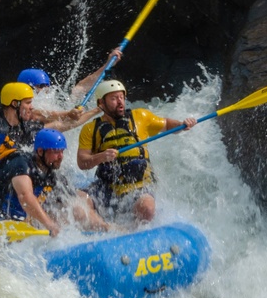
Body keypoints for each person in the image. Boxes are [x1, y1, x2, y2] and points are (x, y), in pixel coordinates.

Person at [0, 82, 92, 212]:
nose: (31, 107)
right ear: (15, 103)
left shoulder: (27, 129)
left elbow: (65, 124)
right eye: (28, 103)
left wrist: (97, 111)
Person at [76, 79, 197, 223]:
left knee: (147, 209)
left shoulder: (141, 116)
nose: (120, 102)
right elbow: (82, 162)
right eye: (114, 98)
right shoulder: (90, 129)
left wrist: (182, 124)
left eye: (121, 97)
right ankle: (106, 228)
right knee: (78, 201)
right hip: (107, 186)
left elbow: (167, 124)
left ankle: (133, 229)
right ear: (101, 103)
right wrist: (101, 157)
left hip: (138, 185)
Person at [0, 128, 108, 237]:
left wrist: (105, 227)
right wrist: (49, 225)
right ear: (40, 151)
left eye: (62, 152)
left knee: (67, 215)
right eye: (55, 152)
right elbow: (25, 197)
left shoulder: (53, 176)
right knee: (48, 221)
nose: (60, 157)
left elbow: (76, 205)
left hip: (15, 224)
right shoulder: (21, 163)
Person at [16, 47, 124, 124]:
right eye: (41, 86)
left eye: (46, 85)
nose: (46, 89)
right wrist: (70, 114)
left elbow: (81, 87)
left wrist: (107, 65)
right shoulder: (26, 110)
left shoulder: (54, 101)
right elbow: (48, 116)